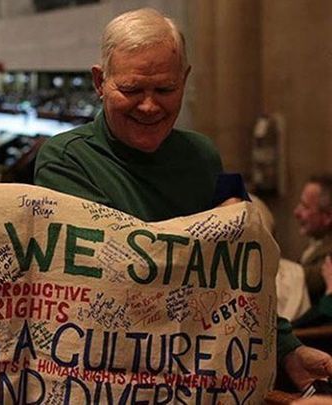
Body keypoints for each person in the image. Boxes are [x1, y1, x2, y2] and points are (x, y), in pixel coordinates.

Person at [34, 7, 332, 391]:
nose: (149, 106)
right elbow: (122, 273)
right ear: (99, 81)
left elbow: (239, 271)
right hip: (104, 375)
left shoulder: (202, 156)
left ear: (185, 79)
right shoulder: (65, 159)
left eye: (165, 89)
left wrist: (287, 348)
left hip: (194, 374)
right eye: (132, 89)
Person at [294, 175, 332, 305]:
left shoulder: (329, 254)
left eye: (305, 207)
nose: (296, 212)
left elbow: (299, 281)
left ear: (327, 216)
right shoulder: (316, 243)